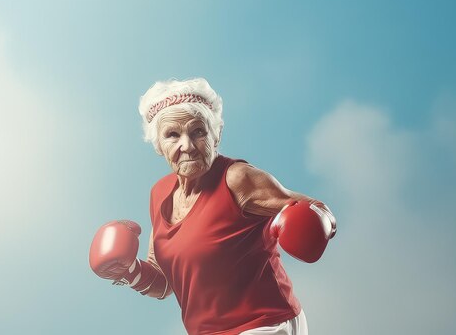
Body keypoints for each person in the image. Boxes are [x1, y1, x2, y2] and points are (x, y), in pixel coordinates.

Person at [89, 78, 336, 335]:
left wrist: (318, 220)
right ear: (159, 146)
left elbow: (313, 207)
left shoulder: (238, 179)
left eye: (198, 131)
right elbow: (164, 284)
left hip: (266, 324)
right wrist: (130, 271)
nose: (187, 145)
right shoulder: (159, 194)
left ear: (216, 134)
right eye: (173, 135)